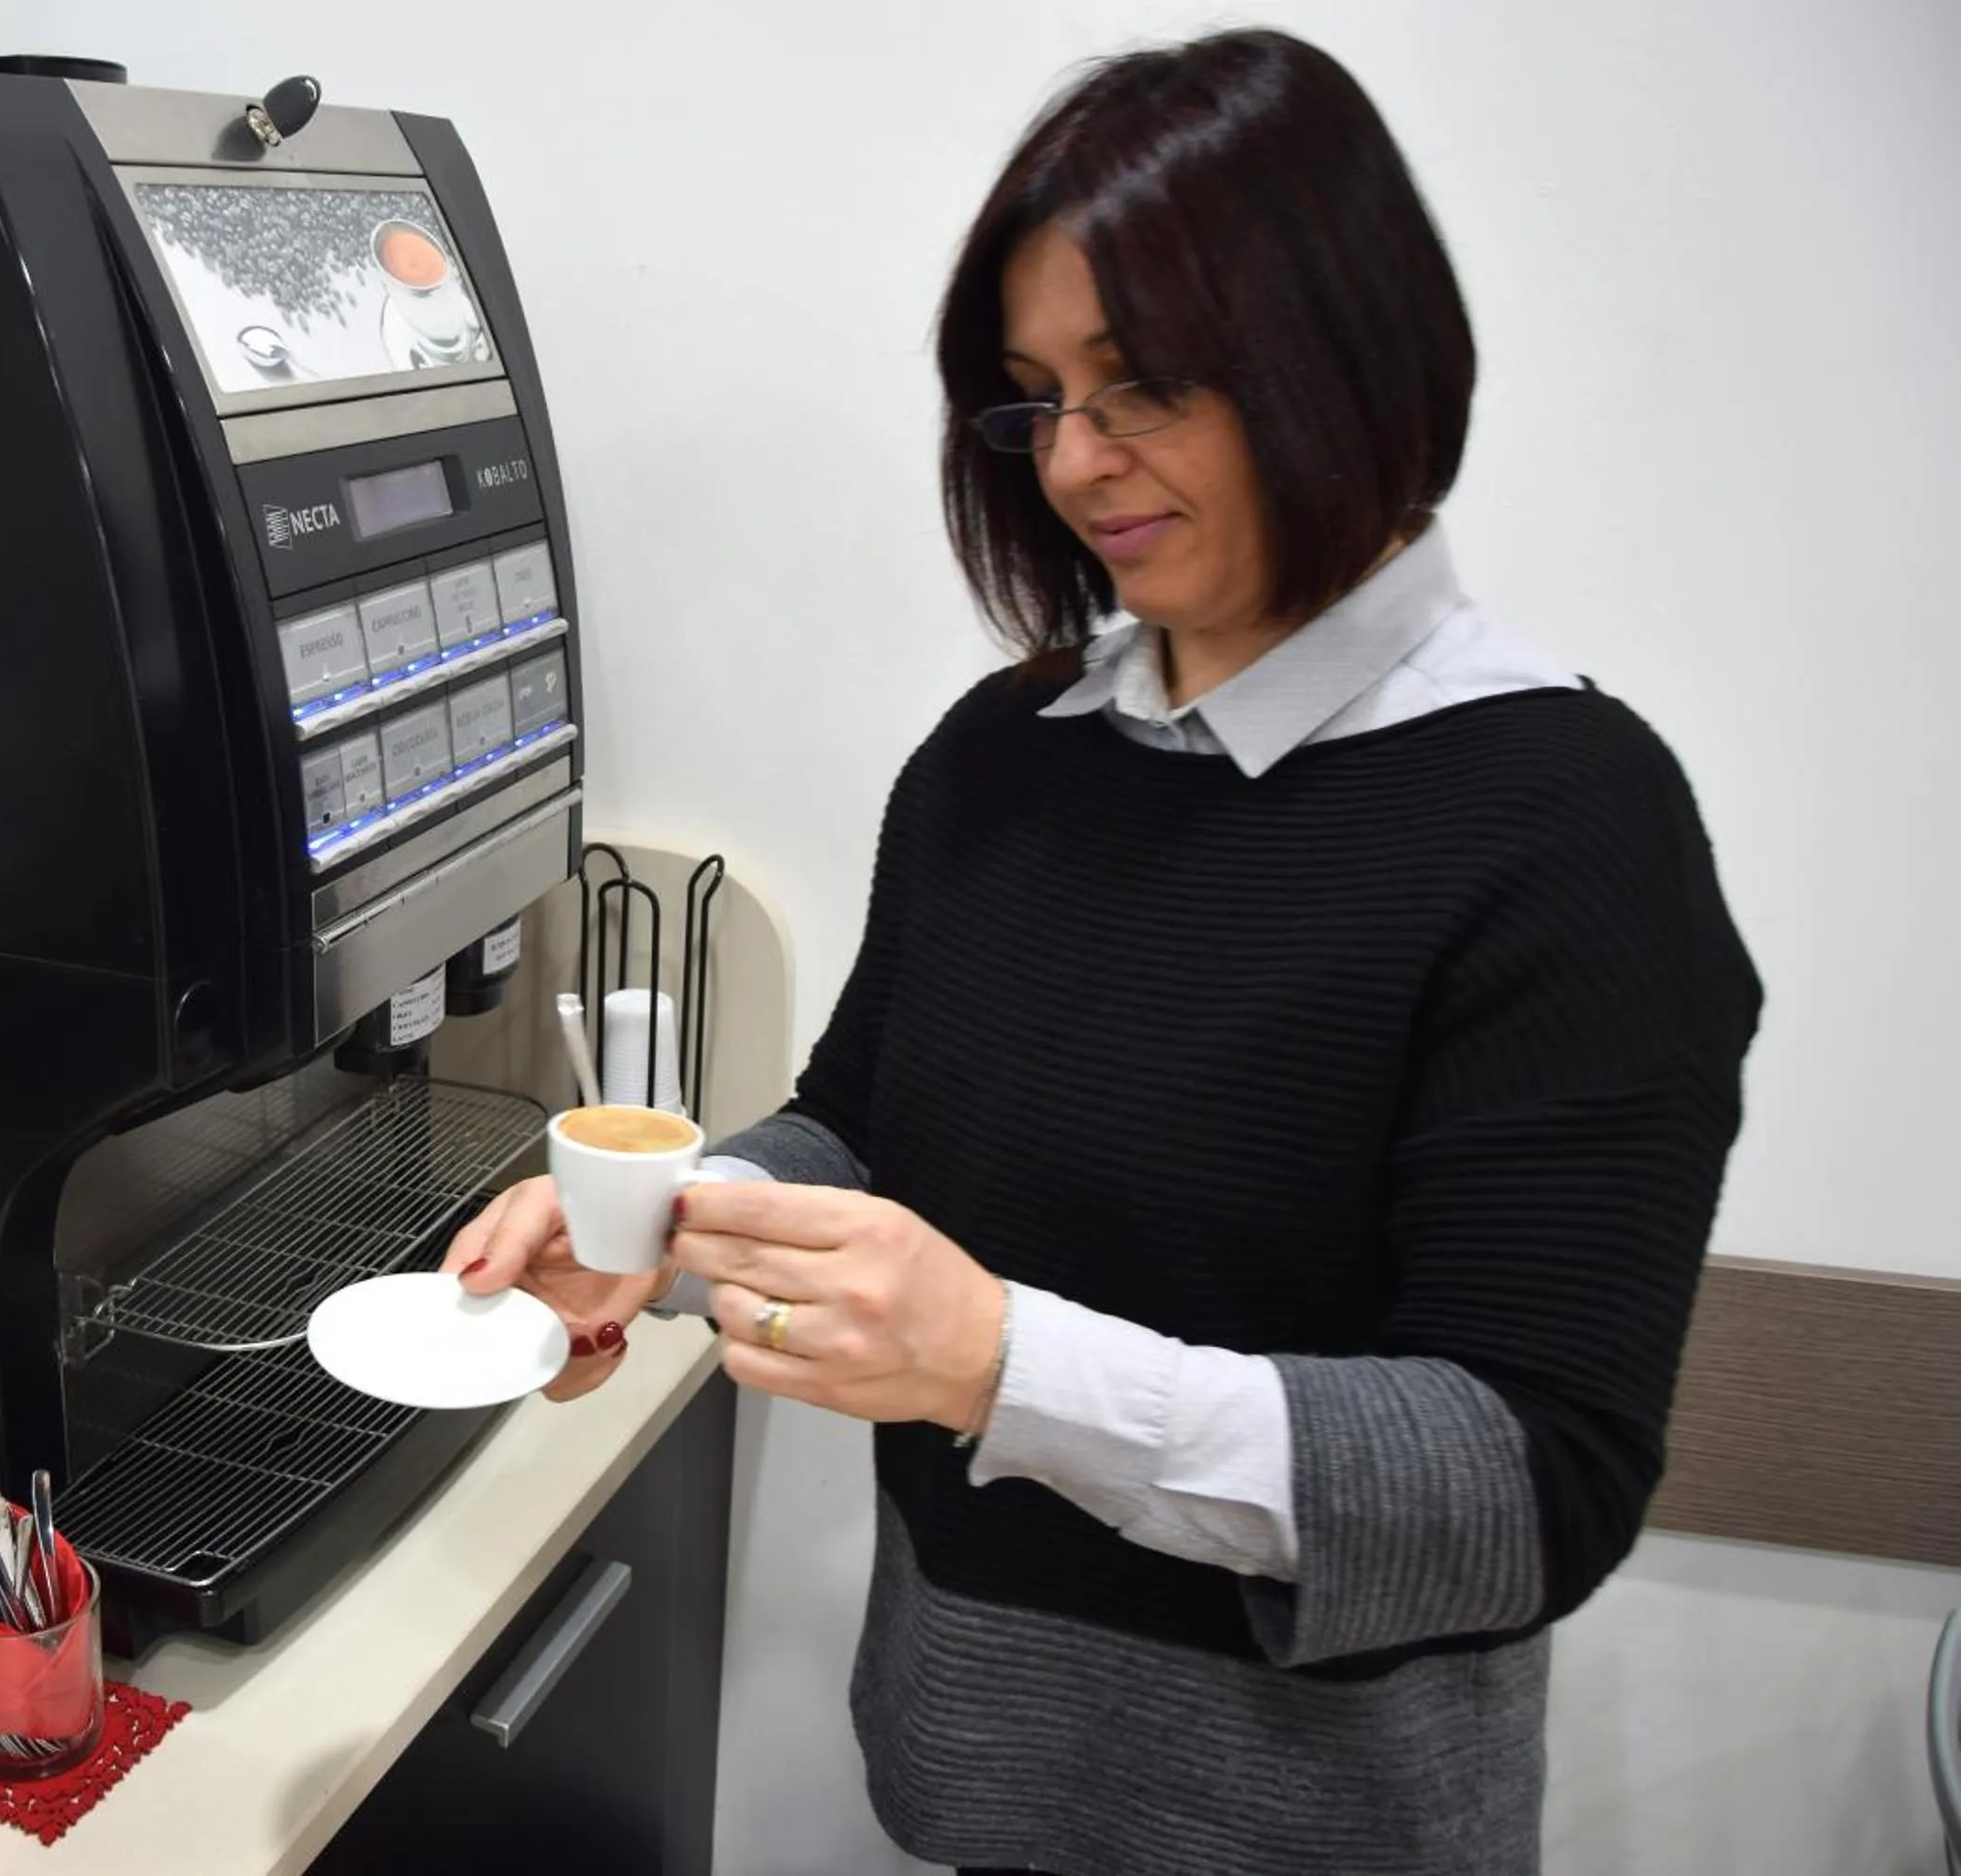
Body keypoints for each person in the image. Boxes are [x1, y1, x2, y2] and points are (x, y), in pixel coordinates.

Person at [443, 26, 1761, 1876]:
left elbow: (1529, 1485)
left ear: (1347, 358)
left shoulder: (1565, 823)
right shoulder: (1006, 757)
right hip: (979, 1755)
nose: (1074, 461)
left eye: (1140, 386)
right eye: (1034, 394)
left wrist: (994, 1359)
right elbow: (866, 1126)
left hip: (1319, 1820)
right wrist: (645, 1237)